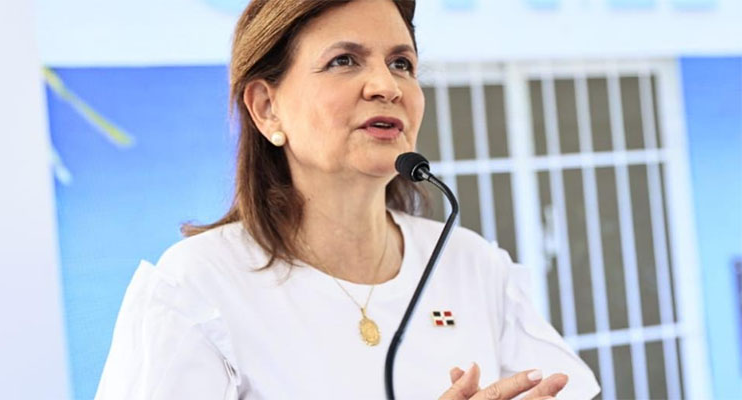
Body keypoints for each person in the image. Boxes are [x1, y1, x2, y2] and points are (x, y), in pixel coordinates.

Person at [96, 0, 601, 398]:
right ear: (267, 108)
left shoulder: (470, 262)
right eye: (344, 60)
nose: (387, 86)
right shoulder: (196, 286)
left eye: (401, 63)